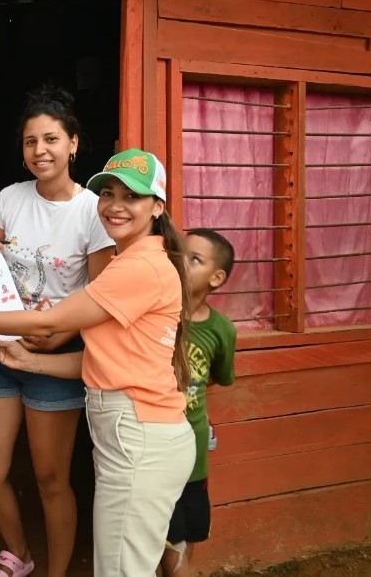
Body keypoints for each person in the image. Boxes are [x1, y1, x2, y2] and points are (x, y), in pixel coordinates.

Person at [0, 148, 195, 576]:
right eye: (108, 193)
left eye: (132, 197)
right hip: (135, 432)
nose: (115, 205)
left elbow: (54, 319)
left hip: (139, 435)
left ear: (157, 207)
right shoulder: (130, 260)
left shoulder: (140, 267)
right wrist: (27, 362)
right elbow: (101, 363)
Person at [0, 84, 116, 577]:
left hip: (54, 357)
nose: (39, 151)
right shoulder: (8, 199)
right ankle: (20, 556)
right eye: (30, 142)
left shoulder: (94, 211)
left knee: (51, 478)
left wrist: (58, 337)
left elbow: (99, 295)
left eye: (51, 139)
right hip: (0, 350)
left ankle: (57, 571)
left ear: (73, 143)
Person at [159, 229, 237, 577]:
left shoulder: (222, 330)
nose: (182, 262)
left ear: (216, 278)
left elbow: (217, 378)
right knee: (164, 551)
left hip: (192, 458)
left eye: (195, 259)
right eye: (180, 253)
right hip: (152, 449)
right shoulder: (156, 315)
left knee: (181, 546)